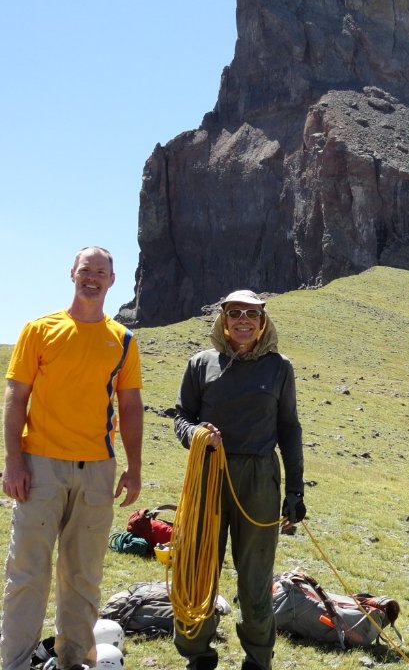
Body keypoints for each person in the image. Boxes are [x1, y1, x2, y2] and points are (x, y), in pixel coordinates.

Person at [2, 246, 144, 670]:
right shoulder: (39, 329)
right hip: (39, 466)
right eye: (86, 270)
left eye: (101, 272)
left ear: (112, 281)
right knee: (28, 573)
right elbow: (16, 396)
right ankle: (15, 662)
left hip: (97, 470)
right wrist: (13, 461)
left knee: (83, 577)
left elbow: (131, 405)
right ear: (72, 274)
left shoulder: (122, 340)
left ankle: (73, 662)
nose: (92, 278)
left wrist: (134, 468)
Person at [172, 290, 305, 670]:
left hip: (260, 478)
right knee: (196, 566)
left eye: (251, 313)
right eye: (234, 313)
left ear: (263, 321)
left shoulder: (280, 368)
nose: (242, 320)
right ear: (223, 320)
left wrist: (294, 491)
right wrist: (197, 434)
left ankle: (258, 658)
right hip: (208, 473)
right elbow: (181, 416)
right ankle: (198, 653)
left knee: (256, 575)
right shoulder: (201, 364)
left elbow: (289, 429)